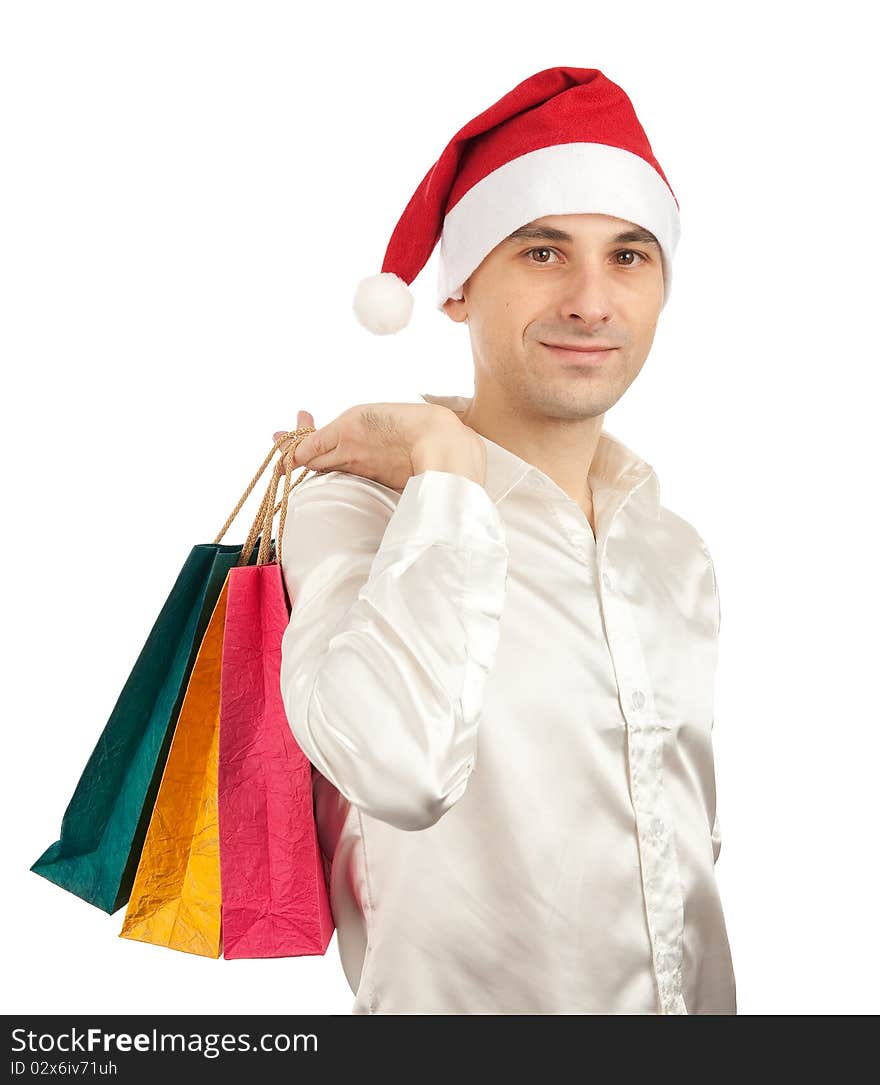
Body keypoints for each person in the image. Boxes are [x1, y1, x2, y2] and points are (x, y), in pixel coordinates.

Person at [275, 66, 736, 1015]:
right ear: (457, 289)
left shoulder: (673, 550)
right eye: (541, 253)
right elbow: (395, 771)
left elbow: (684, 855)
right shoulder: (360, 511)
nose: (591, 301)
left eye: (630, 257)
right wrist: (447, 466)